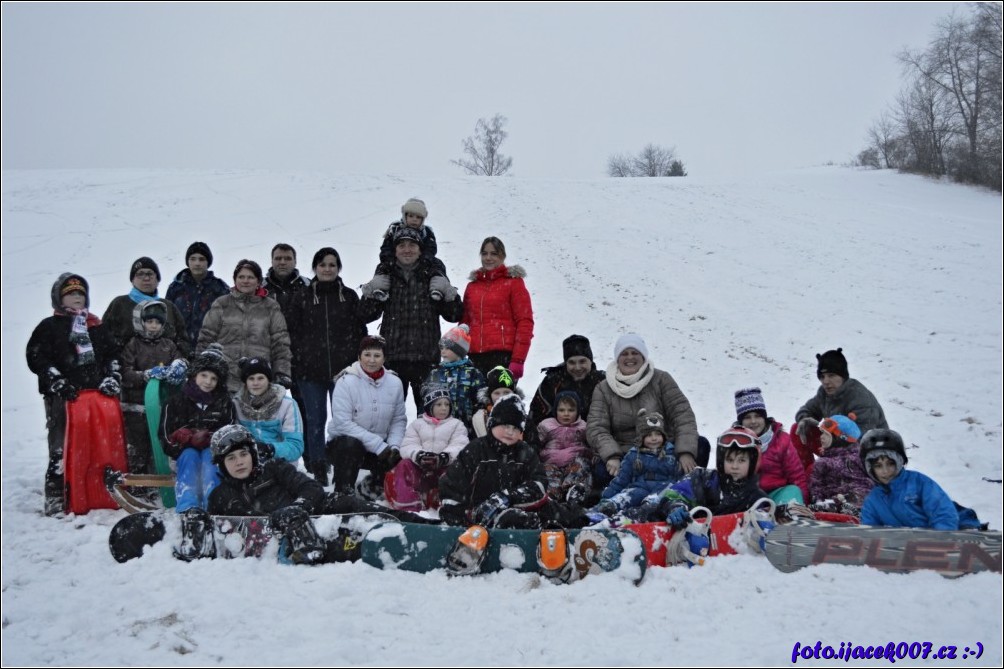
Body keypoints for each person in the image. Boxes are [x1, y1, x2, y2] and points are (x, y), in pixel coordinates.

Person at [205, 424, 435, 564]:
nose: (239, 462)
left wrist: (298, 507)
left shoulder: (274, 468)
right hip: (296, 541)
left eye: (243, 455)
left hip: (324, 511)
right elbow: (218, 531)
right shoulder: (220, 496)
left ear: (252, 455)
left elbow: (311, 488)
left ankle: (430, 529)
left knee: (370, 512)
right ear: (222, 465)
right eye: (230, 458)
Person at [26, 273, 120, 515]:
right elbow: (36, 357)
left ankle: (92, 492)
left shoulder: (96, 326)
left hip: (95, 399)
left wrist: (112, 377)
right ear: (59, 299)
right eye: (70, 294)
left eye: (80, 293)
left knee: (95, 447)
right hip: (63, 398)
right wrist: (56, 380)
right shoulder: (49, 326)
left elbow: (112, 355)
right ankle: (56, 495)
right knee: (61, 447)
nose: (77, 298)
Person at [439, 394, 586, 529]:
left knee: (562, 514)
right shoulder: (476, 450)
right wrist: (455, 517)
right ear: (492, 425)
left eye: (515, 428)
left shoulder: (525, 452)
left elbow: (539, 484)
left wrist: (508, 496)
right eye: (505, 426)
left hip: (520, 504)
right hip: (482, 511)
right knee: (512, 519)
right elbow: (452, 484)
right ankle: (531, 529)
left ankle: (578, 522)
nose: (510, 432)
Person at [284, 247, 367, 484]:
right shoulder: (301, 297)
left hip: (344, 372)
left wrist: (356, 363)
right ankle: (318, 467)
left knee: (344, 421)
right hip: (310, 372)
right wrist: (300, 360)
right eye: (322, 265)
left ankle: (343, 466)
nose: (327, 269)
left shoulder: (348, 296)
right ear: (315, 268)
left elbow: (359, 332)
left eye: (332, 265)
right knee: (315, 420)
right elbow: (292, 333)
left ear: (338, 268)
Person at [358, 227, 464, 411]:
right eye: (401, 245)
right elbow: (366, 315)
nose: (407, 249)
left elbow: (453, 315)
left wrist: (449, 293)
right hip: (392, 358)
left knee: (430, 416)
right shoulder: (386, 273)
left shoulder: (432, 273)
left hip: (426, 359)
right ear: (395, 250)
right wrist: (371, 292)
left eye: (412, 245)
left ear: (420, 249)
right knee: (388, 415)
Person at [587, 334, 704, 491]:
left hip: (663, 449)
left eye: (635, 352)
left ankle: (686, 493)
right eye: (624, 353)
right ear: (617, 358)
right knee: (601, 470)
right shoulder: (603, 388)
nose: (630, 357)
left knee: (701, 446)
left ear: (643, 356)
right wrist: (612, 455)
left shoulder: (661, 379)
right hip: (626, 453)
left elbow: (682, 415)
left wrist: (685, 451)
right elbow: (596, 427)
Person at [325, 335, 407, 500]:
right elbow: (343, 423)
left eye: (377, 355)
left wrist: (394, 447)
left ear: (384, 358)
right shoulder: (345, 382)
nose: (372, 360)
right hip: (345, 446)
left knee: (402, 459)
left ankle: (374, 488)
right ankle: (343, 494)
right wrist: (378, 445)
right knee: (350, 445)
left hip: (382, 447)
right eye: (367, 355)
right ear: (359, 356)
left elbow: (398, 420)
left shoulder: (395, 383)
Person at [197, 259, 293, 393]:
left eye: (250, 277)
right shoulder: (222, 304)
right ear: (235, 279)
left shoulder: (270, 307)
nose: (245, 281)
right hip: (225, 378)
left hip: (258, 378)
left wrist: (281, 372)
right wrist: (200, 368)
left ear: (258, 281)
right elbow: (206, 337)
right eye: (241, 277)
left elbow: (280, 342)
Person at [160, 345, 236, 512]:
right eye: (204, 375)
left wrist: (210, 438)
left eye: (214, 378)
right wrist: (184, 440)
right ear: (194, 375)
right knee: (190, 456)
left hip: (214, 451)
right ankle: (188, 506)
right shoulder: (175, 402)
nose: (208, 382)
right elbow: (165, 436)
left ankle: (213, 504)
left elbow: (230, 433)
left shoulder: (225, 403)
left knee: (210, 459)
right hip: (182, 453)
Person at [858, 429, 982, 530]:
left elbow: (943, 514)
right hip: (908, 547)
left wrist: (939, 542)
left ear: (899, 461)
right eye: (878, 466)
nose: (885, 471)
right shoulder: (873, 501)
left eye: (890, 464)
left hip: (948, 535)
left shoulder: (918, 483)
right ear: (870, 468)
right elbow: (870, 533)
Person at [643, 427, 769, 526]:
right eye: (729, 460)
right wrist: (676, 507)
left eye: (741, 461)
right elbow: (676, 494)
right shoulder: (703, 479)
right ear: (721, 461)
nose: (734, 466)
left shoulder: (758, 499)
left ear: (753, 462)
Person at [119, 300, 188, 475]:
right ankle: (139, 481)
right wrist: (145, 375)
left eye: (158, 322)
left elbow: (179, 361)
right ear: (140, 322)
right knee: (139, 446)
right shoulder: (133, 345)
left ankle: (161, 478)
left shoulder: (168, 345)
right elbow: (125, 373)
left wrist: (179, 368)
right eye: (149, 321)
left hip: (163, 404)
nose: (154, 326)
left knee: (160, 443)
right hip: (137, 406)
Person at [793, 348, 889, 470]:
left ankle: (815, 474)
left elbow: (861, 439)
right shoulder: (824, 393)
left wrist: (831, 443)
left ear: (843, 376)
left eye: (831, 375)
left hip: (870, 455)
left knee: (820, 469)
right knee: (798, 429)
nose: (825, 381)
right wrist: (804, 419)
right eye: (822, 376)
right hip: (834, 444)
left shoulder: (860, 398)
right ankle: (803, 473)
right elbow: (807, 409)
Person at [460, 236, 534, 379]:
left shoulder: (514, 283)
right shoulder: (472, 286)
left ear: (502, 256)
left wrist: (518, 360)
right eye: (484, 253)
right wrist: (458, 352)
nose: (488, 258)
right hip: (475, 357)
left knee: (500, 395)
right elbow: (465, 324)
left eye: (494, 254)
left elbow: (525, 322)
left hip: (503, 357)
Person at [387, 384, 469, 512]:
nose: (444, 408)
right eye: (439, 404)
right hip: (421, 468)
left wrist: (444, 457)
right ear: (429, 406)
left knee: (457, 470)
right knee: (404, 465)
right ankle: (407, 503)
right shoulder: (417, 424)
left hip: (443, 468)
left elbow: (460, 445)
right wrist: (419, 455)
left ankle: (446, 503)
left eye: (447, 404)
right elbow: (408, 444)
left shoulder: (457, 425)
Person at [590, 409, 681, 518]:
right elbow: (621, 479)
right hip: (640, 489)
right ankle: (599, 512)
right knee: (627, 496)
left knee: (665, 497)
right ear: (641, 438)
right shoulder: (633, 455)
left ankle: (649, 512)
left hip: (662, 490)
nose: (654, 438)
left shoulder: (671, 455)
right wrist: (607, 496)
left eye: (658, 434)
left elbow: (679, 478)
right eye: (649, 435)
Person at [102, 257, 191, 358]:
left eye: (150, 274)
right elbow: (104, 338)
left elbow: (182, 340)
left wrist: (179, 360)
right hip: (126, 365)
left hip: (165, 365)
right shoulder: (119, 304)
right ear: (132, 280)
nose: (146, 278)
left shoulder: (169, 307)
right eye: (140, 274)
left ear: (157, 280)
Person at [526, 334, 606, 446]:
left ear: (590, 361)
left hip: (596, 441)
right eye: (572, 362)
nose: (577, 367)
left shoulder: (602, 380)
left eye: (582, 361)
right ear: (565, 363)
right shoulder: (553, 381)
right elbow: (535, 417)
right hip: (556, 444)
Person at [733, 387, 807, 505]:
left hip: (777, 495)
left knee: (793, 490)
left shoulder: (781, 440)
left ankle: (790, 512)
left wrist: (803, 501)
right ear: (741, 422)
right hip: (748, 498)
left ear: (764, 417)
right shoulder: (733, 442)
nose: (753, 421)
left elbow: (796, 475)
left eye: (757, 416)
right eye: (747, 417)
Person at [370, 198, 449, 299]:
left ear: (423, 219)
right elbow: (386, 247)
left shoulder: (427, 232)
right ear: (405, 216)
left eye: (418, 217)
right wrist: (389, 260)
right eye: (411, 216)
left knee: (437, 266)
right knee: (382, 268)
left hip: (420, 263)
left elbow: (431, 248)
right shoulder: (394, 229)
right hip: (396, 262)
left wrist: (425, 260)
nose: (414, 219)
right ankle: (381, 288)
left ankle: (437, 288)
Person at [232, 357, 304, 464]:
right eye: (251, 378)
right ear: (245, 381)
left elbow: (295, 446)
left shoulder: (287, 404)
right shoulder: (236, 404)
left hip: (280, 463)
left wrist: (270, 449)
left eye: (260, 378)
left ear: (268, 380)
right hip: (247, 463)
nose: (255, 383)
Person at [165, 241, 230, 346]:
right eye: (193, 259)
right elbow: (167, 320)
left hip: (210, 348)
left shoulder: (220, 288)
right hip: (179, 348)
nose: (197, 263)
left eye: (202, 259)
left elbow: (228, 323)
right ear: (188, 261)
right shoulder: (176, 288)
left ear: (208, 262)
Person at [424, 324, 487, 431]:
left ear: (459, 351)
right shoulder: (436, 373)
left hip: (466, 427)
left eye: (447, 348)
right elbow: (426, 399)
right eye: (441, 348)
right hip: (439, 427)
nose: (443, 351)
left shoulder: (473, 373)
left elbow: (480, 400)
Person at [807, 414, 874, 516]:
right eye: (822, 433)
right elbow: (816, 485)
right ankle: (830, 509)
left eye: (826, 434)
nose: (821, 437)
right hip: (832, 500)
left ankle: (855, 510)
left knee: (863, 493)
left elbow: (870, 481)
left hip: (857, 499)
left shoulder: (859, 457)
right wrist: (818, 500)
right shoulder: (822, 462)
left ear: (840, 438)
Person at [536, 390, 592, 503]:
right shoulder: (547, 425)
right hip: (551, 462)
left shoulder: (583, 427)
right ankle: (552, 493)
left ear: (578, 411)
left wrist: (592, 454)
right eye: (561, 410)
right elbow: (537, 443)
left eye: (571, 410)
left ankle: (574, 490)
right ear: (555, 411)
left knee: (581, 465)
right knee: (548, 473)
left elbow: (591, 442)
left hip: (574, 461)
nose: (566, 414)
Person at [470, 365, 522, 438]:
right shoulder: (479, 419)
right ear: (489, 396)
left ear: (514, 393)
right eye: (497, 393)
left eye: (506, 392)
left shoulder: (522, 416)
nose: (501, 397)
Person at [263, 243, 311, 316]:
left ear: (295, 262)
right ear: (272, 262)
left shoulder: (309, 285)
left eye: (288, 259)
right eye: (278, 258)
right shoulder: (259, 286)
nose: (282, 262)